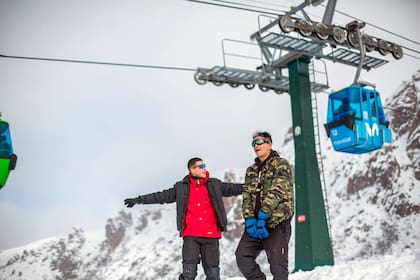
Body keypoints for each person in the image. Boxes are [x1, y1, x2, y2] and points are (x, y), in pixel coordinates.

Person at [124, 157, 243, 280]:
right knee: (188, 274)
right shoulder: (181, 188)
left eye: (204, 166)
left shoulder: (214, 184)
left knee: (213, 275)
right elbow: (160, 196)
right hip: (191, 236)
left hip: (211, 235)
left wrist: (254, 186)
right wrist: (139, 200)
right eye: (201, 166)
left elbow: (234, 188)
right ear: (192, 169)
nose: (204, 169)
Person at [235, 131, 294, 280]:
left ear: (269, 144)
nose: (256, 146)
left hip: (276, 222)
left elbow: (278, 190)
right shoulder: (251, 170)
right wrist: (249, 219)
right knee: (242, 256)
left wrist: (263, 215)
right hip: (255, 225)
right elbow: (247, 195)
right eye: (253, 143)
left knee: (277, 265)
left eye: (259, 142)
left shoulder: (281, 164)